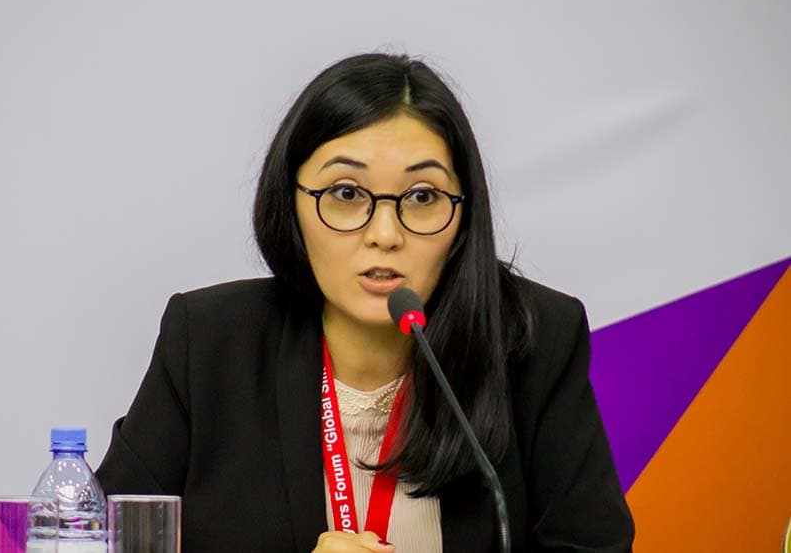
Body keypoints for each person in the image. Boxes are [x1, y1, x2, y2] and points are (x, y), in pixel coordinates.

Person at [96, 52, 635, 552]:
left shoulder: (533, 344)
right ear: (291, 203)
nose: (384, 234)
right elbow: (100, 542)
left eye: (422, 197)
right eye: (347, 193)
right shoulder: (210, 343)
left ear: (464, 214)